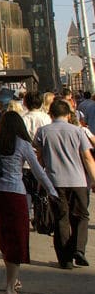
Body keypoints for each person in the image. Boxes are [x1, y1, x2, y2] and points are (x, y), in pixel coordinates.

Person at [0, 111, 59, 294]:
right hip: (15, 194)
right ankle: (10, 289)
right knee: (18, 239)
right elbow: (38, 171)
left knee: (5, 238)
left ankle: (12, 279)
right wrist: (52, 191)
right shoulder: (22, 144)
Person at [33, 99, 95, 269]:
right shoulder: (78, 131)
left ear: (50, 114)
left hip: (54, 182)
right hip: (78, 181)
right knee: (81, 216)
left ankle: (65, 260)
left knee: (61, 218)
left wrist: (40, 180)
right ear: (68, 114)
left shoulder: (43, 132)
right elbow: (88, 157)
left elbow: (39, 157)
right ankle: (79, 249)